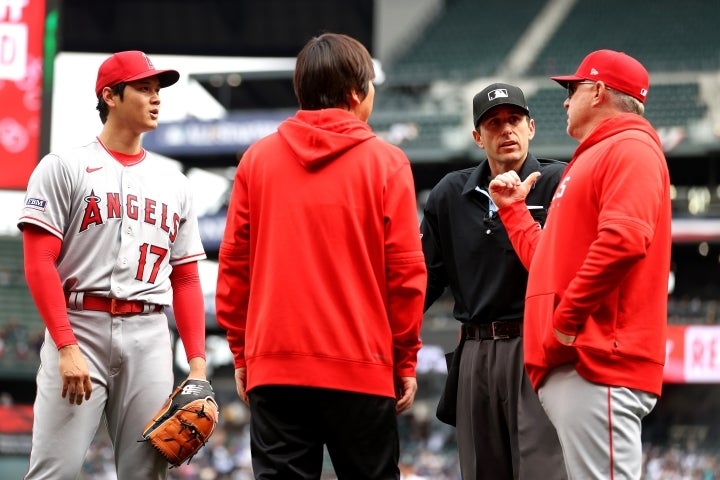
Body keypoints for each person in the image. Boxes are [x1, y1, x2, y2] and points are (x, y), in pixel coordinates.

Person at [215, 32, 427, 480]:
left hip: (276, 367)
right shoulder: (388, 163)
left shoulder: (256, 160)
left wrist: (242, 355)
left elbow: (234, 268)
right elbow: (406, 275)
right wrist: (404, 359)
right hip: (362, 369)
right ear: (356, 93)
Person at [18, 50, 208, 479]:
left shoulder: (175, 183)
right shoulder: (63, 167)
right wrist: (66, 346)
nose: (155, 98)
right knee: (54, 471)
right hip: (80, 325)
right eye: (144, 88)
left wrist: (196, 364)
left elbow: (187, 276)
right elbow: (39, 261)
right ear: (110, 95)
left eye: (158, 90)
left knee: (147, 474)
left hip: (149, 337)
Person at [488, 50, 672, 479]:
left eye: (574, 89)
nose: (566, 101)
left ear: (601, 92)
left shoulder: (630, 147)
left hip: (598, 361)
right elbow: (548, 263)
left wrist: (566, 321)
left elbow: (624, 241)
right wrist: (514, 212)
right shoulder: (593, 156)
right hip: (580, 364)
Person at [421, 82, 567, 479]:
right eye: (494, 123)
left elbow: (564, 273)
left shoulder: (558, 183)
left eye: (514, 120)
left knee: (543, 471)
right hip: (474, 350)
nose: (506, 130)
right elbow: (424, 281)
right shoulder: (450, 193)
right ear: (477, 136)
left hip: (537, 346)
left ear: (531, 127)